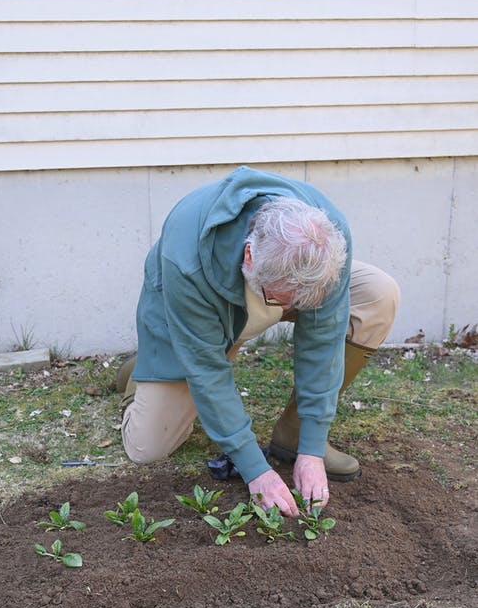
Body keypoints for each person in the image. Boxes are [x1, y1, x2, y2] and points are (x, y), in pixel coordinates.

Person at [118, 166, 400, 517]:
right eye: (283, 301)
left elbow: (322, 339)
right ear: (250, 256)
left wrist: (310, 449)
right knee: (148, 447)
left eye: (295, 305)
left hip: (270, 281)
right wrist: (256, 471)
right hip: (194, 303)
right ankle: (146, 370)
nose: (288, 313)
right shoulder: (185, 256)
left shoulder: (328, 237)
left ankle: (293, 435)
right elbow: (207, 369)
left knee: (379, 293)